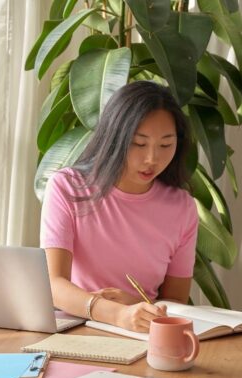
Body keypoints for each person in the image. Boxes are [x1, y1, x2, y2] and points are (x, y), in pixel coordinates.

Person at [40, 80, 198, 333]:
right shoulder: (68, 187)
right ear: (115, 138)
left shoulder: (182, 207)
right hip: (74, 327)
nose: (152, 159)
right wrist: (117, 314)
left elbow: (177, 301)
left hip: (141, 333)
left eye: (166, 145)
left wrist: (136, 307)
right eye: (139, 143)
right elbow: (53, 283)